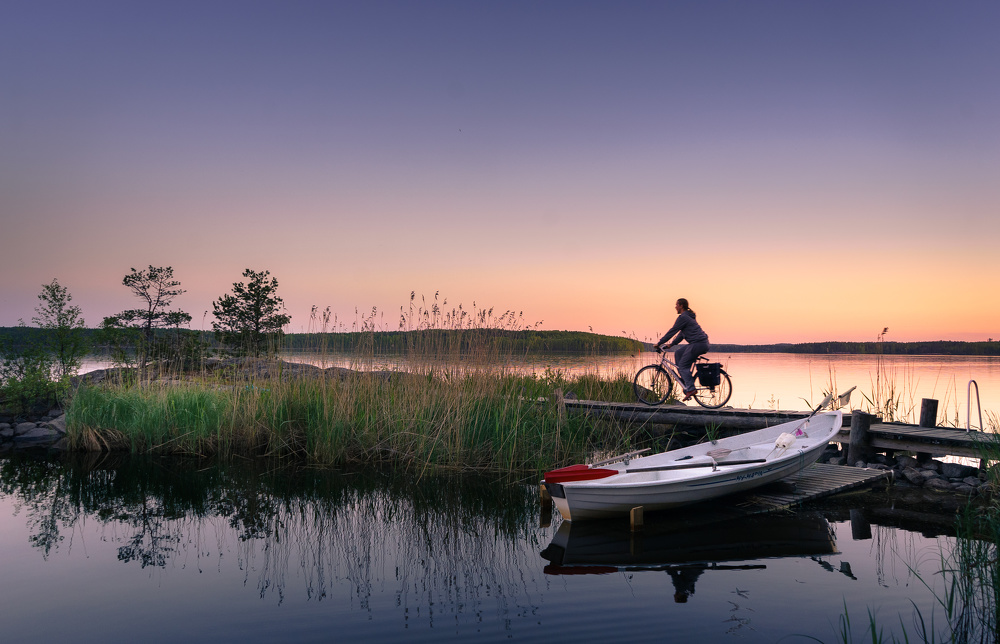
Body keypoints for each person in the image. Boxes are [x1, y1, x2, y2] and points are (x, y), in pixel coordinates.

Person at [655, 298, 709, 401]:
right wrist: (672, 344)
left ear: (681, 306)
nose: (675, 307)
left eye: (676, 305)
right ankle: (686, 382)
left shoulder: (683, 317)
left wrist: (659, 343)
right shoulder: (688, 317)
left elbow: (672, 331)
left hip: (698, 344)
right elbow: (681, 334)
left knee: (683, 366)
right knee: (678, 353)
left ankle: (691, 389)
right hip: (700, 343)